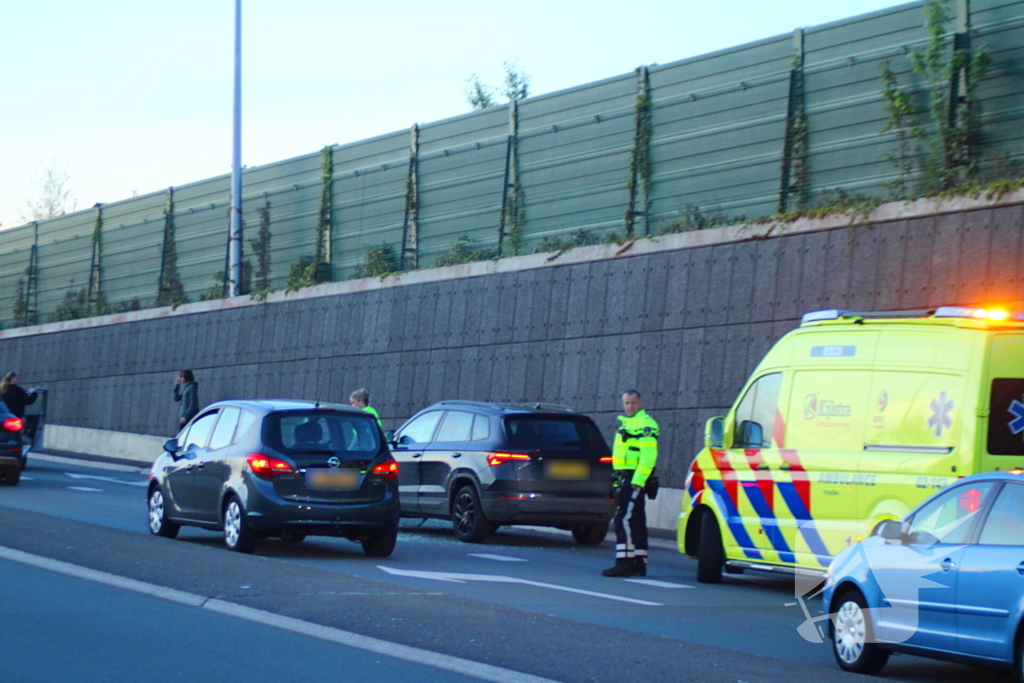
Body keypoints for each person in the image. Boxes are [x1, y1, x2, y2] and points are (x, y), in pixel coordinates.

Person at [602, 389, 659, 578]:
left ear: (640, 403)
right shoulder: (627, 424)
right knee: (636, 521)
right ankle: (638, 563)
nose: (629, 406)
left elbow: (649, 456)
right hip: (624, 477)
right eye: (626, 403)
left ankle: (624, 562)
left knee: (622, 520)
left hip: (634, 479)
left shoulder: (645, 425)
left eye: (633, 403)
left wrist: (638, 481)